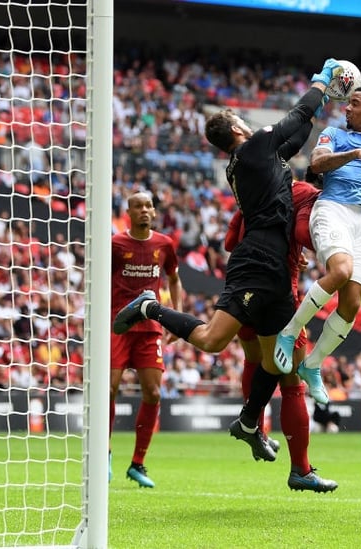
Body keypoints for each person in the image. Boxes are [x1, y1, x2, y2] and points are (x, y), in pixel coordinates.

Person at [113, 60, 333, 468]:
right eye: (239, 118)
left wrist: (319, 108)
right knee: (215, 341)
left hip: (274, 268)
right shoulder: (253, 149)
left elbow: (298, 136)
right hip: (259, 260)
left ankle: (257, 428)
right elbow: (297, 118)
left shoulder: (259, 159)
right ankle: (150, 307)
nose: (246, 121)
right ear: (236, 130)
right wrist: (322, 83)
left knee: (278, 359)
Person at [273, 85, 361, 406]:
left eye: (355, 104)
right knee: (341, 271)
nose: (347, 108)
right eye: (347, 103)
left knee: (351, 304)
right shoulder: (334, 134)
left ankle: (313, 365)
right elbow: (317, 164)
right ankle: (289, 332)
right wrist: (354, 154)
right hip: (332, 208)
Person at [225, 177, 337, 492]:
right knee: (291, 382)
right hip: (277, 287)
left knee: (252, 358)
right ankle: (301, 469)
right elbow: (304, 232)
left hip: (241, 281)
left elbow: (229, 242)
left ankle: (255, 428)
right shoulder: (309, 195)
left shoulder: (255, 189)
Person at [109, 191, 181, 488]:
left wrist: (176, 316)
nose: (143, 210)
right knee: (108, 389)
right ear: (128, 212)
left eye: (148, 206)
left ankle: (138, 463)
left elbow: (174, 279)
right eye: (137, 206)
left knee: (152, 392)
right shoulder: (115, 245)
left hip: (150, 326)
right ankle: (104, 455)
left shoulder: (164, 244)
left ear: (154, 211)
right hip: (117, 326)